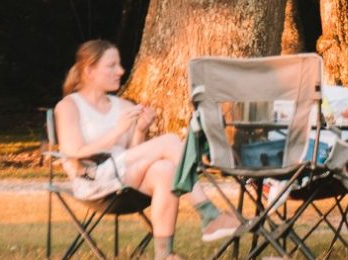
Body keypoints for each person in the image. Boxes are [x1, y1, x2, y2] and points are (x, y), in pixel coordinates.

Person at [53, 40, 239, 259]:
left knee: (165, 169)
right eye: (111, 66)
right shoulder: (69, 106)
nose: (120, 71)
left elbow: (134, 154)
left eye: (119, 65)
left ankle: (164, 254)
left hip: (124, 178)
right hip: (92, 181)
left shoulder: (123, 106)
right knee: (170, 141)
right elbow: (73, 151)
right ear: (90, 71)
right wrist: (117, 131)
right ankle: (209, 214)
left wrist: (140, 130)